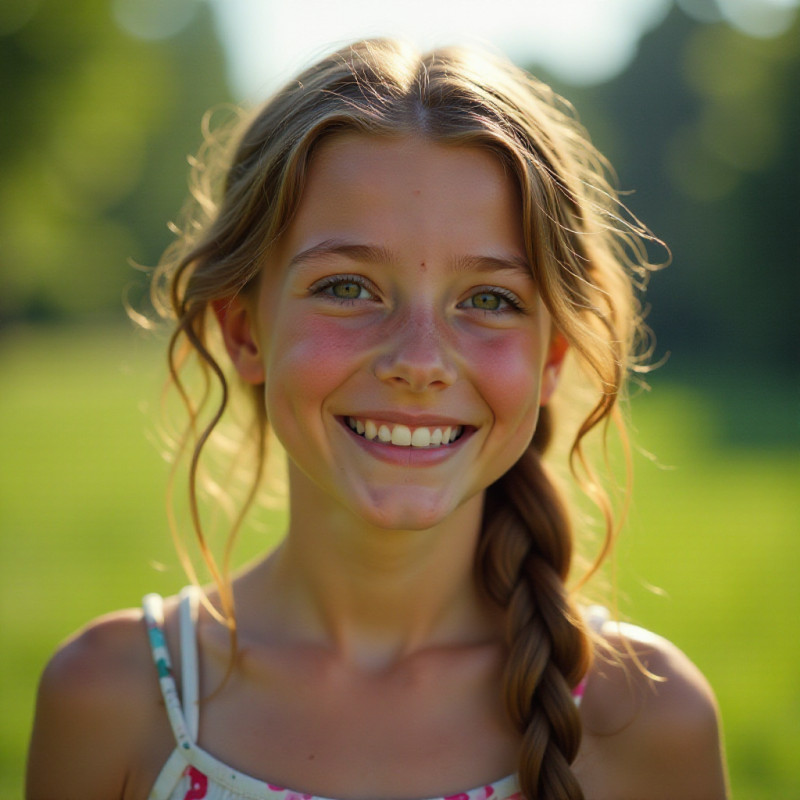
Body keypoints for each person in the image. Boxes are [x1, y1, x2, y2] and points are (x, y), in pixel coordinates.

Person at [26, 39, 729, 800]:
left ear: (551, 358)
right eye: (348, 287)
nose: (419, 361)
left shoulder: (647, 719)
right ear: (244, 330)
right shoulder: (114, 701)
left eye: (489, 300)